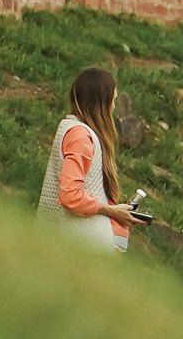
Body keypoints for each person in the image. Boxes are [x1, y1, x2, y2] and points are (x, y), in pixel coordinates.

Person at [37, 66, 138, 251]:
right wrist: (110, 210)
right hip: (79, 243)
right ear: (101, 103)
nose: (114, 107)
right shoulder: (81, 137)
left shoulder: (72, 129)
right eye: (112, 101)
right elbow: (70, 195)